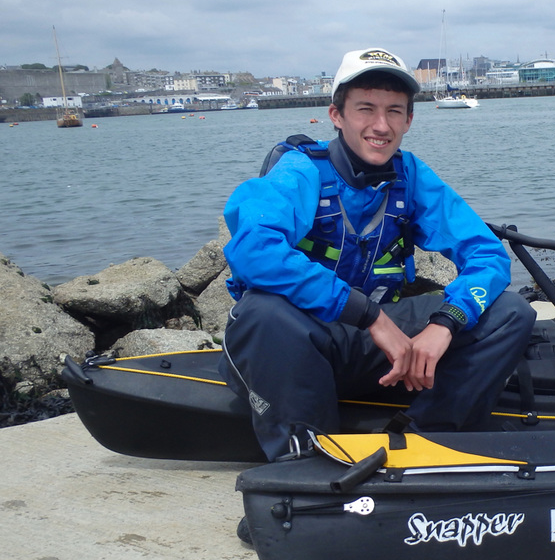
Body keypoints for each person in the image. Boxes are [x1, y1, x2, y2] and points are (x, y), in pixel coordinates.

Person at [220, 47, 536, 461]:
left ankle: (422, 443)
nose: (380, 126)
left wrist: (446, 322)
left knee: (512, 311)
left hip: (380, 350)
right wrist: (367, 315)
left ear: (409, 119)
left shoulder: (412, 175)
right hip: (302, 345)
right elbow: (253, 251)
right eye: (365, 109)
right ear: (337, 115)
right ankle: (305, 462)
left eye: (394, 112)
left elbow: (487, 255)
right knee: (262, 314)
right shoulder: (300, 172)